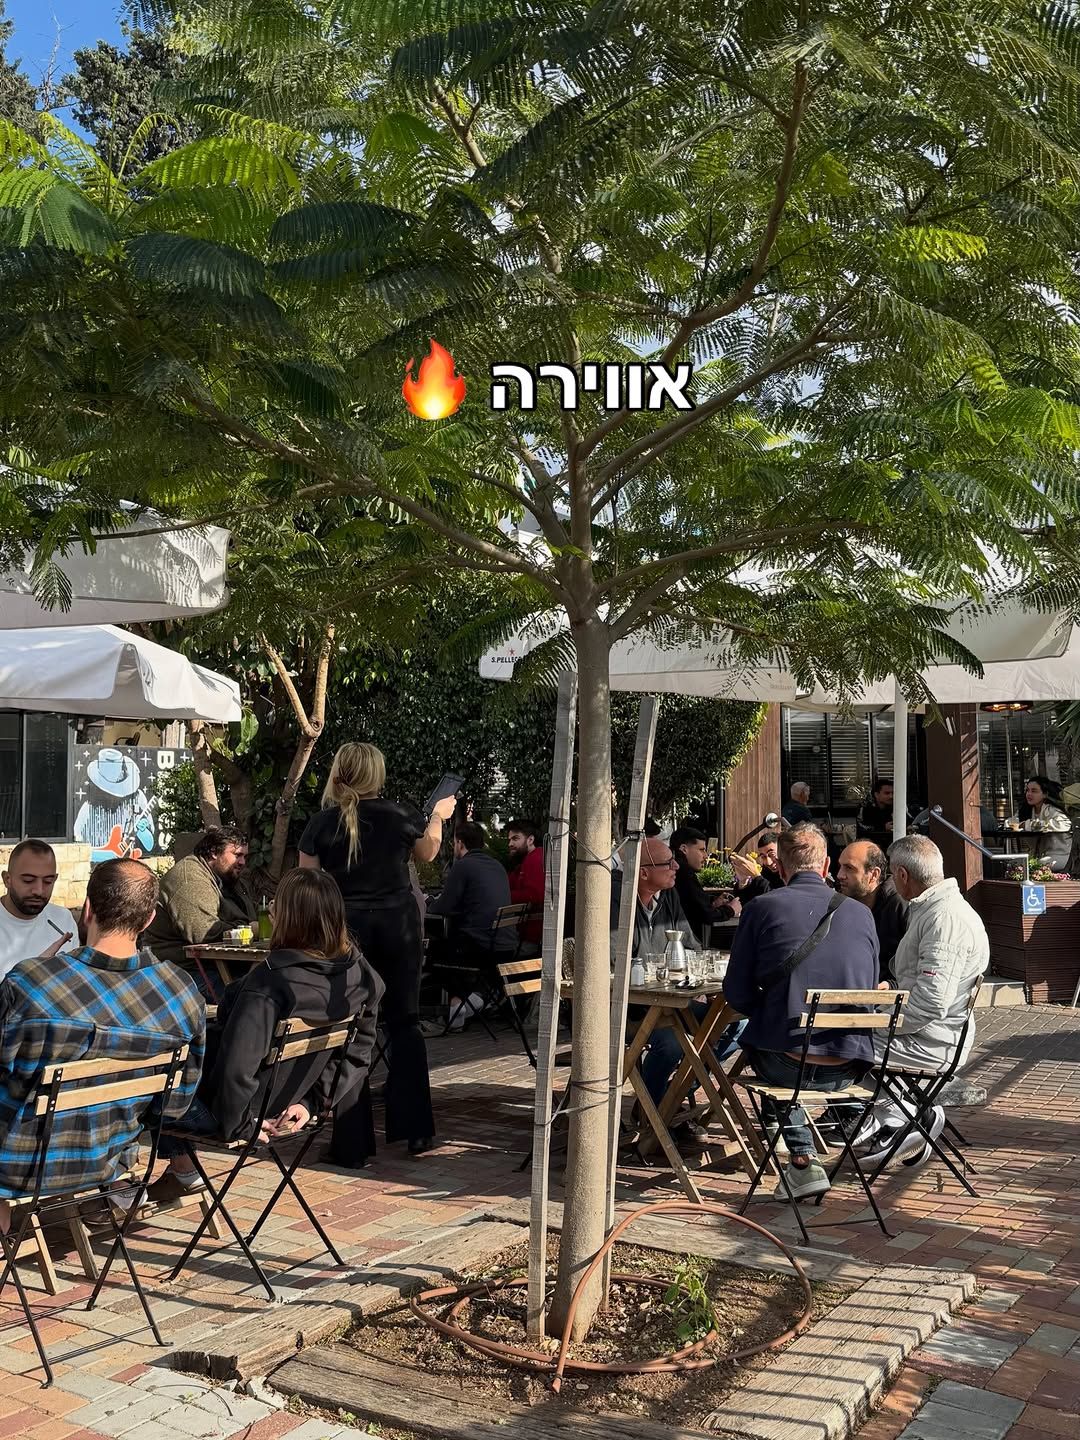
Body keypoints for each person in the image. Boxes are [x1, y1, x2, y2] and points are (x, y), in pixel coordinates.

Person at [150, 868, 383, 1198]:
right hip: (287, 1101)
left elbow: (236, 1068)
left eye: (276, 905)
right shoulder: (359, 974)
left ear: (287, 917)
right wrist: (312, 1102)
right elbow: (359, 1051)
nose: (271, 909)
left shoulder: (271, 983)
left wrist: (243, 1123)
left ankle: (116, 1186)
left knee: (146, 1085)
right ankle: (182, 1171)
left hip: (235, 1109)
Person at [0, 859, 205, 1223]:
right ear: (148, 920)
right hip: (110, 1158)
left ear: (88, 909)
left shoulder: (31, 984)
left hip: (18, 1162)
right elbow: (175, 1103)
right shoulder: (181, 993)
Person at [299, 742, 456, 1158]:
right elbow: (428, 852)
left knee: (350, 1023)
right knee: (405, 1022)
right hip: (398, 926)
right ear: (377, 775)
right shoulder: (401, 815)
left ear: (339, 774)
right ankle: (417, 1129)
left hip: (346, 929)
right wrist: (438, 816)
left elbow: (307, 885)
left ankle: (351, 1142)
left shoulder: (321, 823)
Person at [723, 824, 879, 1201]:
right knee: (778, 1038)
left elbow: (737, 995)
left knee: (762, 1044)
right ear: (826, 864)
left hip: (787, 1065)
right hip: (850, 1066)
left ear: (780, 867)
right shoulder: (861, 914)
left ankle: (801, 1160)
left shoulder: (761, 908)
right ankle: (857, 1122)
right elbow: (870, 989)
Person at [857, 835, 989, 1167]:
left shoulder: (944, 919)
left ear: (902, 875)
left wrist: (881, 1021)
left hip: (932, 1042)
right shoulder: (936, 909)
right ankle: (903, 1117)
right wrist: (889, 991)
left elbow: (931, 1002)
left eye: (890, 874)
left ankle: (903, 1118)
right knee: (847, 1032)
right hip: (936, 1034)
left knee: (840, 1042)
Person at [144, 827, 255, 995]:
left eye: (244, 856)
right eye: (237, 855)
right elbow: (204, 933)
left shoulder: (226, 878)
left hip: (215, 966)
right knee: (253, 993)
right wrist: (250, 929)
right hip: (181, 972)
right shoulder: (190, 880)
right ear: (213, 853)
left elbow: (248, 917)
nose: (242, 862)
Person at [428, 822, 515, 1030]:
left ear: (459, 843)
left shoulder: (463, 865)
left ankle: (457, 1006)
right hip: (506, 944)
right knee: (456, 944)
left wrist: (429, 901)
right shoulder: (497, 865)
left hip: (481, 947)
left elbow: (444, 906)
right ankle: (475, 999)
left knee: (433, 953)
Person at [0, 840, 75, 980]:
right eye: (28, 880)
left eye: (48, 881)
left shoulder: (63, 920)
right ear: (7, 879)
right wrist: (31, 978)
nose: (39, 891)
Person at [835, 840, 908, 980]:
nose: (840, 875)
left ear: (874, 875)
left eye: (849, 868)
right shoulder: (843, 904)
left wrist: (892, 985)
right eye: (840, 867)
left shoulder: (899, 905)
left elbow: (914, 961)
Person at [670, 825, 740, 943]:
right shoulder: (683, 873)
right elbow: (706, 914)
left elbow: (693, 905)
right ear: (684, 849)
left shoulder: (680, 871)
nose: (706, 856)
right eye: (701, 850)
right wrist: (731, 909)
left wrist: (712, 902)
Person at [1006, 775, 1072, 871]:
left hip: (1060, 855)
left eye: (1034, 791)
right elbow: (1012, 821)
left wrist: (1029, 825)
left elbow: (1065, 824)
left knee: (1033, 866)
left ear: (1045, 794)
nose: (1029, 794)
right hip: (1037, 855)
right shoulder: (1026, 810)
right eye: (1027, 790)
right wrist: (1008, 823)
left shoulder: (1052, 810)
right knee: (1012, 864)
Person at [506, 817, 545, 948]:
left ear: (530, 840)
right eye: (509, 839)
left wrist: (503, 896)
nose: (510, 843)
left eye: (515, 838)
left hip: (528, 939)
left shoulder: (535, 859)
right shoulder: (525, 861)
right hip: (524, 935)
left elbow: (535, 895)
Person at [730, 830, 784, 906]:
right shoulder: (765, 872)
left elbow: (776, 900)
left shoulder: (791, 872)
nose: (768, 862)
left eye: (772, 855)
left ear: (783, 851)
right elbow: (746, 901)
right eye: (763, 857)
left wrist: (757, 876)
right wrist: (743, 882)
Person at [856, 778, 895, 847]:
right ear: (876, 794)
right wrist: (883, 827)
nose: (891, 796)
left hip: (891, 844)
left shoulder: (895, 807)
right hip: (868, 845)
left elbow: (910, 819)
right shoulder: (865, 807)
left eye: (893, 793)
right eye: (887, 793)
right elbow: (862, 828)